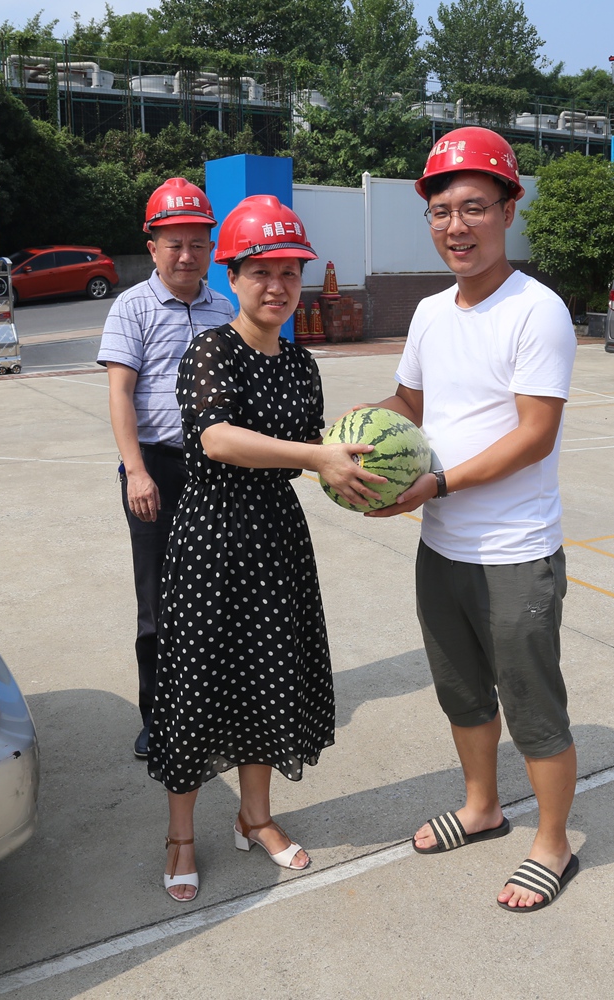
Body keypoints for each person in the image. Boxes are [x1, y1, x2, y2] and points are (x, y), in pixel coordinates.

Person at [365, 127, 580, 913]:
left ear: (508, 210)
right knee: (462, 692)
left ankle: (552, 843)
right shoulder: (429, 313)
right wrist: (353, 434)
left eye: (474, 208)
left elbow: (535, 434)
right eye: (442, 211)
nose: (457, 226)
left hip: (516, 552)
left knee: (533, 705)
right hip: (443, 548)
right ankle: (482, 806)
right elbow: (410, 403)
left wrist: (441, 482)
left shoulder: (537, 312)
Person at [151, 195, 387, 902]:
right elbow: (217, 438)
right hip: (211, 540)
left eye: (289, 271)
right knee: (198, 686)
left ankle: (255, 818)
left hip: (276, 541)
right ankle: (181, 835)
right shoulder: (210, 350)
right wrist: (317, 455)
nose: (277, 286)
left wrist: (356, 460)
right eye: (261, 271)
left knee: (267, 679)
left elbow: (309, 451)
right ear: (232, 277)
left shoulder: (301, 364)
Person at [98, 178, 236, 761]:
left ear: (211, 248)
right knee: (157, 600)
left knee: (217, 595)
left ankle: (213, 712)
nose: (186, 255)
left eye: (197, 243)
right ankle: (158, 717)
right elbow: (120, 393)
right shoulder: (132, 306)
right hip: (155, 467)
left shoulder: (224, 308)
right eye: (174, 243)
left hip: (217, 471)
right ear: (152, 246)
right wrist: (136, 471)